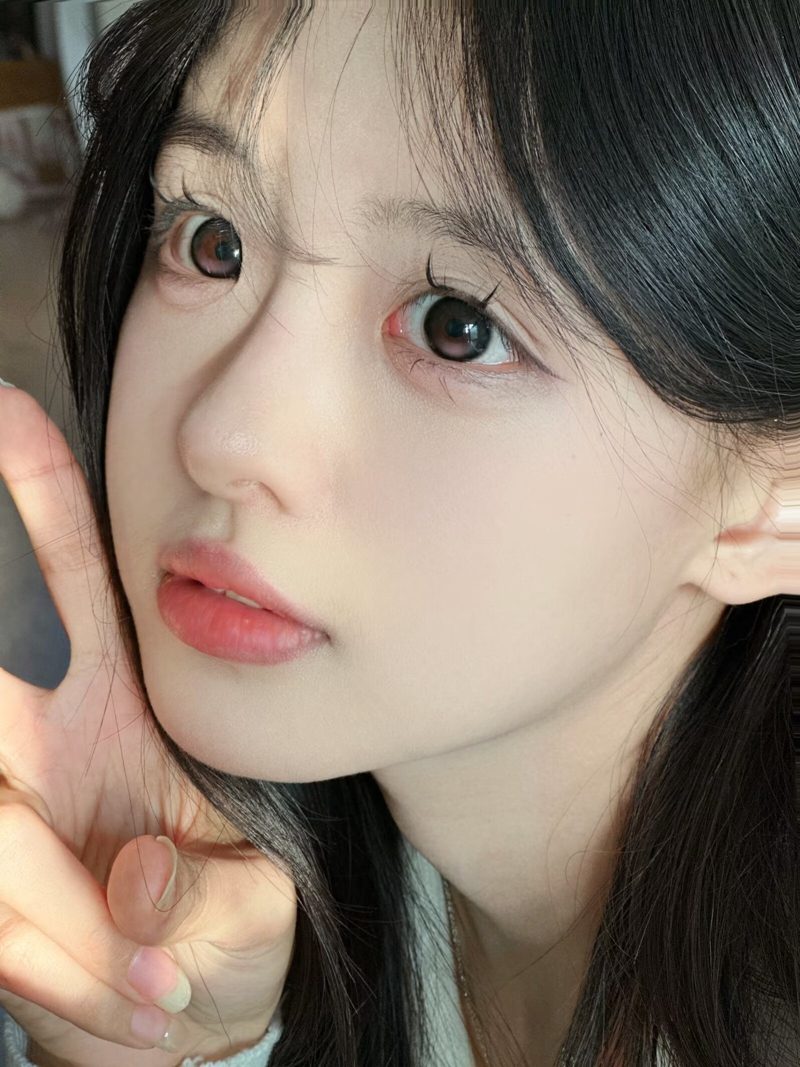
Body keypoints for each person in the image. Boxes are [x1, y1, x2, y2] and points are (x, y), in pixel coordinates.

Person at [0, 1, 798, 1065]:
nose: (221, 435)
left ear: (776, 498)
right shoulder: (280, 898)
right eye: (212, 240)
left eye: (457, 327)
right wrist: (137, 1028)